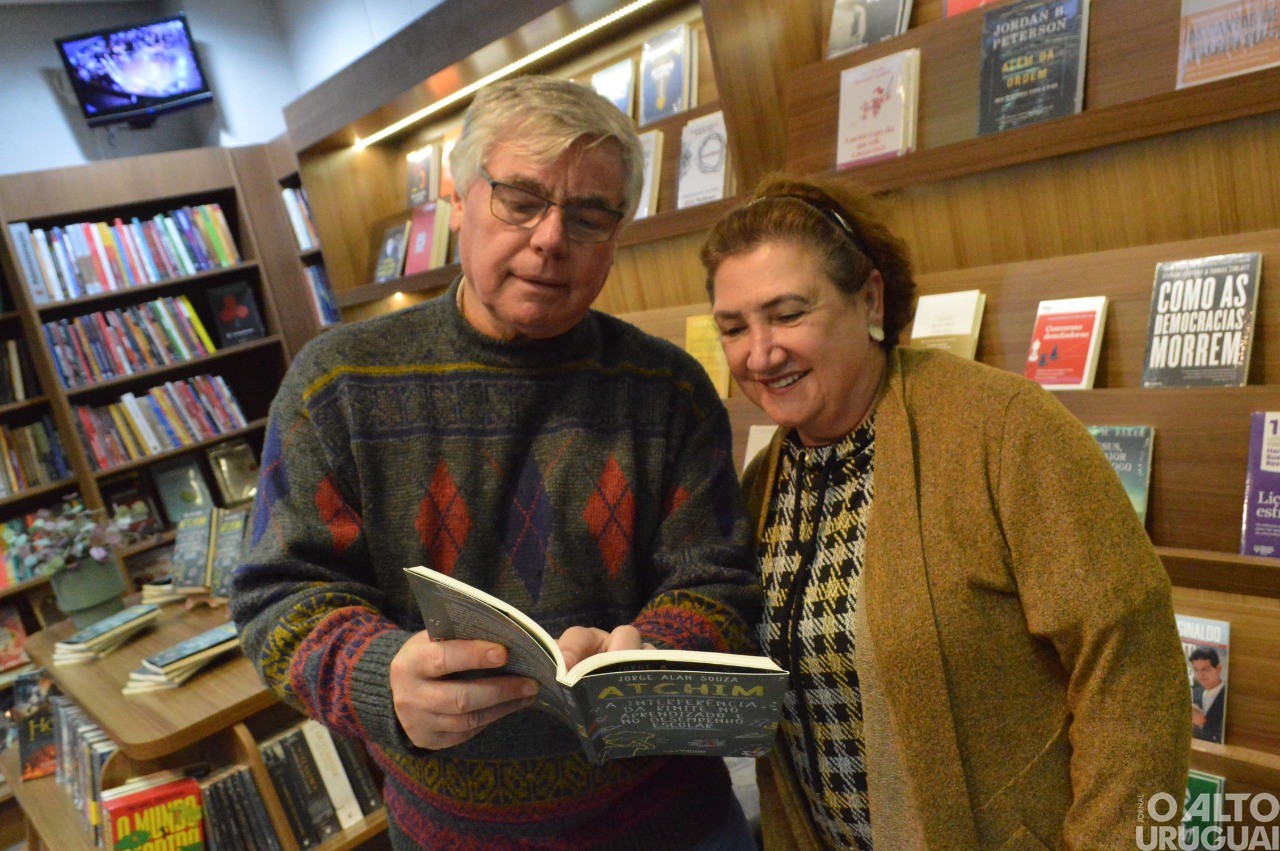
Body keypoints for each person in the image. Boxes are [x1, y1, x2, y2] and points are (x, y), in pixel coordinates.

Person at [231, 75, 761, 850]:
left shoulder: (669, 388)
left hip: (674, 823)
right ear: (458, 202)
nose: (551, 238)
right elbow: (279, 597)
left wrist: (649, 656)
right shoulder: (338, 385)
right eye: (520, 198)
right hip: (452, 834)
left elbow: (720, 586)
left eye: (589, 215)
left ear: (617, 235)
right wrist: (381, 677)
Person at [699, 174, 1191, 849]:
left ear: (869, 297)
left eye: (787, 314)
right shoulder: (761, 483)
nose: (760, 352)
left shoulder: (1005, 427)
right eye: (734, 328)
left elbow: (1134, 669)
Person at [1189, 647, 1226, 743]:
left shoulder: (1228, 696)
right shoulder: (1194, 693)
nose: (1200, 675)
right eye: (1196, 670)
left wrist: (1202, 723)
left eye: (1205, 669)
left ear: (1218, 669)